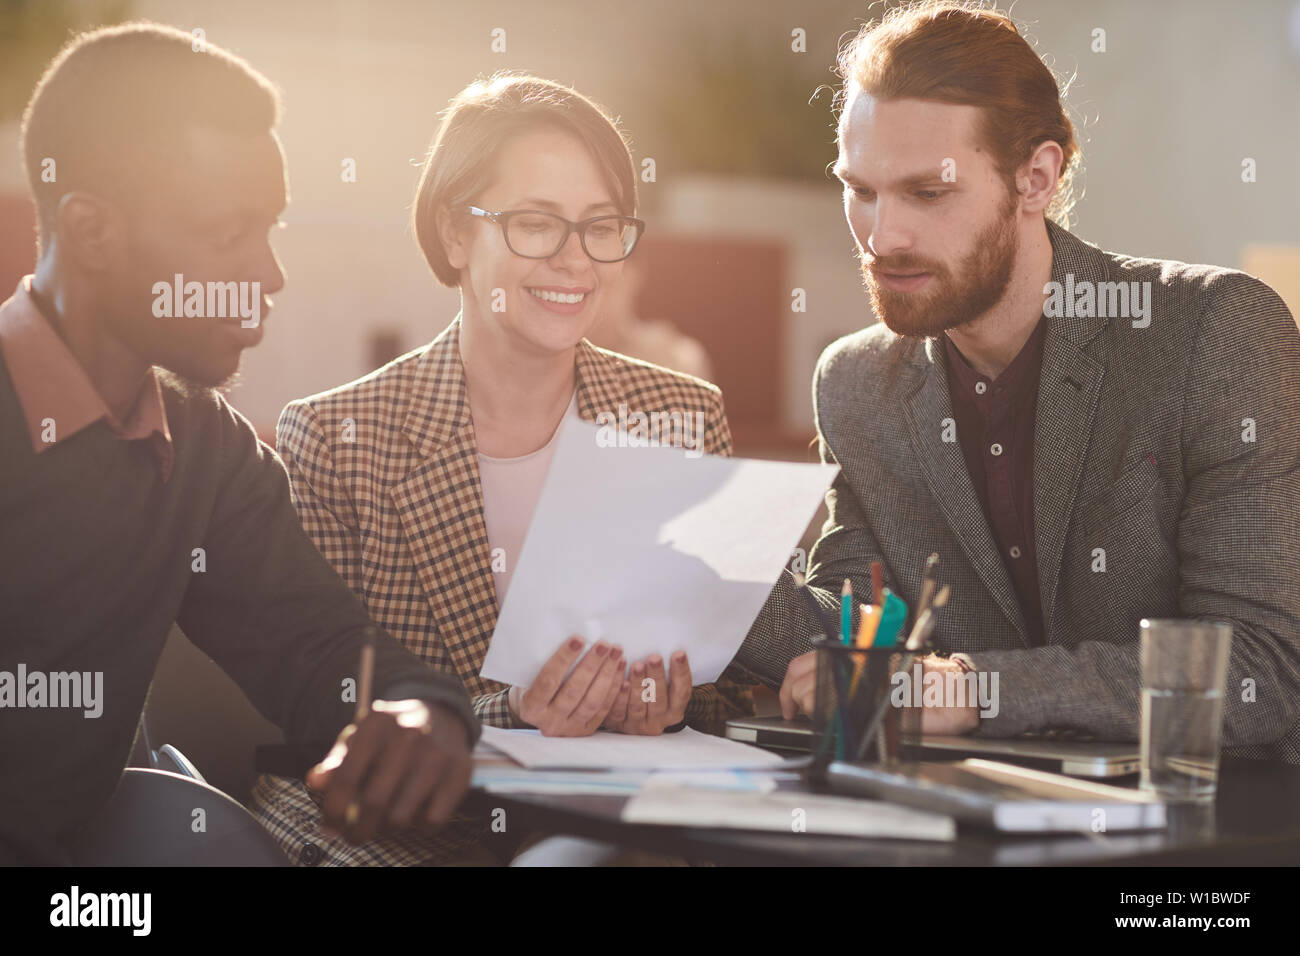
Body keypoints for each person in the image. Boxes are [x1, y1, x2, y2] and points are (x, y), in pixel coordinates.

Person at [732, 1, 1300, 763]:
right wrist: (695, 571)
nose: (882, 236)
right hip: (955, 819)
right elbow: (861, 635)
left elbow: (1259, 672)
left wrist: (974, 689)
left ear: (1036, 176)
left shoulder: (1213, 332)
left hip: (1202, 828)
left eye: (926, 194)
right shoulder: (857, 380)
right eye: (860, 190)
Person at [248, 72, 756, 865]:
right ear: (456, 234)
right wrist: (509, 708)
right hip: (417, 829)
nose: (575, 260)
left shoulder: (681, 415)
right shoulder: (337, 435)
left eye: (600, 227)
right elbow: (332, 711)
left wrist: (666, 698)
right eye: (535, 224)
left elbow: (720, 682)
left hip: (618, 817)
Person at [0, 23, 478, 865]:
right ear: (92, 231)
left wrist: (417, 708)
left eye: (271, 229)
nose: (269, 274)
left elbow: (314, 642)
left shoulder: (202, 449)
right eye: (228, 235)